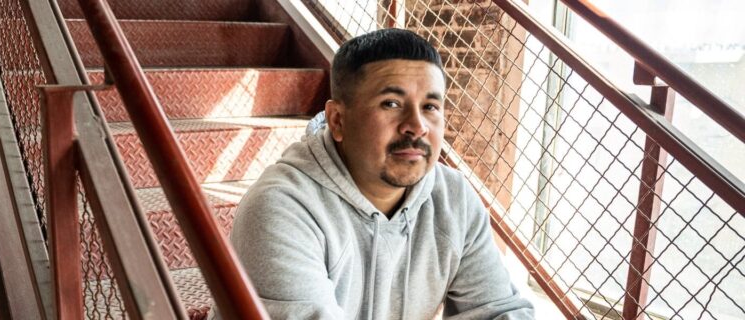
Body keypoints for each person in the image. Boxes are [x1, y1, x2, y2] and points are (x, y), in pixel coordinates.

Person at [213, 29, 534, 319]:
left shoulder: (453, 199)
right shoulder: (279, 209)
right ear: (337, 121)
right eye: (392, 103)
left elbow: (499, 311)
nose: (417, 125)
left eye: (431, 107)